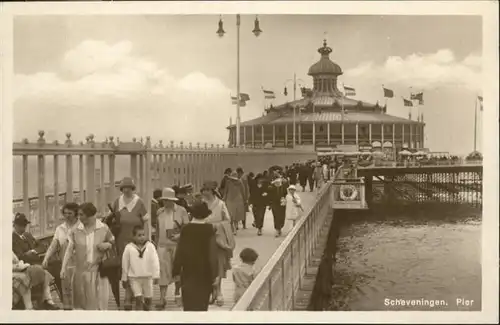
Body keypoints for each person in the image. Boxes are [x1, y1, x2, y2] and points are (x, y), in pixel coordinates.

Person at [61, 202, 115, 310]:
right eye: (78, 214)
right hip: (81, 272)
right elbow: (69, 249)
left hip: (99, 272)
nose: (79, 217)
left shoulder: (103, 228)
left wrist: (107, 244)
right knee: (80, 304)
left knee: (99, 304)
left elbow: (112, 242)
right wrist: (63, 267)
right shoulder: (75, 230)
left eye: (81, 215)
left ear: (90, 215)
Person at [172, 201, 219, 311]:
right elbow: (212, 254)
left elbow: (180, 251)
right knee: (202, 305)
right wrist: (215, 275)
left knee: (188, 305)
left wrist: (176, 270)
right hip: (205, 273)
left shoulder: (186, 229)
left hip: (188, 272)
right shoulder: (209, 229)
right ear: (206, 215)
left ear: (192, 214)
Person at [155, 187, 190, 309]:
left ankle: (177, 294)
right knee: (162, 271)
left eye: (168, 200)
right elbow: (158, 230)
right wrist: (156, 245)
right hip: (162, 245)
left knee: (179, 270)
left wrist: (179, 236)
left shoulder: (182, 211)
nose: (166, 202)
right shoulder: (159, 212)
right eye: (164, 200)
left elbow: (187, 228)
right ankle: (162, 297)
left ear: (173, 200)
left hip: (177, 245)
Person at [201, 180, 235, 306]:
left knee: (219, 263)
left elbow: (227, 220)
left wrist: (216, 226)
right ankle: (211, 290)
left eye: (207, 190)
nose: (205, 192)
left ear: (213, 191)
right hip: (204, 237)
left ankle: (219, 290)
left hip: (218, 237)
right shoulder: (201, 203)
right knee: (207, 264)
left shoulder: (221, 204)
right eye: (204, 190)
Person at [42, 202, 81, 310]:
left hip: (80, 261)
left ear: (76, 213)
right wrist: (46, 257)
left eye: (70, 213)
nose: (67, 215)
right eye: (65, 213)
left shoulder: (81, 226)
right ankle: (68, 311)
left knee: (78, 288)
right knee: (66, 288)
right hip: (65, 262)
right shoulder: (60, 228)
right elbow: (53, 245)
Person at [121, 225, 160, 311]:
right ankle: (138, 317)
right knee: (138, 299)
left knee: (148, 299)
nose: (142, 237)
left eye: (143, 235)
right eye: (139, 235)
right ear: (133, 236)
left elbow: (155, 261)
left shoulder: (150, 246)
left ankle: (148, 316)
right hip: (134, 278)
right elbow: (125, 263)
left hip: (148, 277)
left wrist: (156, 274)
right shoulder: (129, 247)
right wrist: (124, 277)